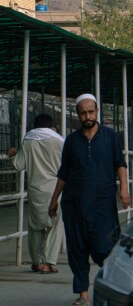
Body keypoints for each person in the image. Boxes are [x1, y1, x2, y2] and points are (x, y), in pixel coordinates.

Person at [49, 94, 130, 306]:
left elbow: (120, 164)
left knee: (105, 247)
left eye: (91, 112)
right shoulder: (71, 140)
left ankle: (113, 290)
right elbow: (64, 172)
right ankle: (83, 296)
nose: (88, 116)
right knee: (77, 250)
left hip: (103, 204)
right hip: (74, 205)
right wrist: (54, 199)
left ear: (97, 112)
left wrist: (124, 189)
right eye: (83, 113)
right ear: (78, 114)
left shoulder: (110, 136)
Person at [7, 113, 65, 273]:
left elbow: (18, 165)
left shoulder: (28, 140)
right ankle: (49, 263)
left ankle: (36, 262)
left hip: (35, 189)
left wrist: (12, 154)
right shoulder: (59, 141)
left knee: (35, 227)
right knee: (55, 226)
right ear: (51, 126)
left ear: (35, 126)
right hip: (56, 189)